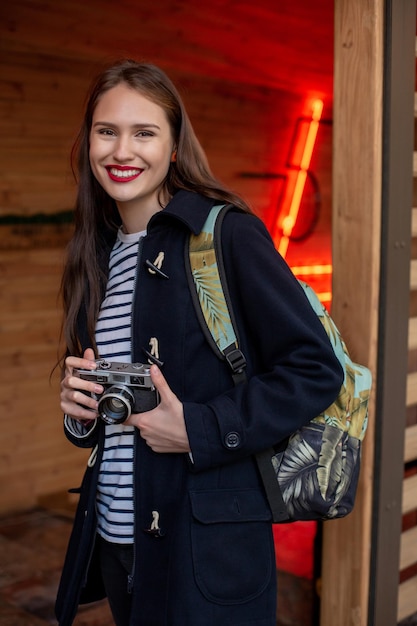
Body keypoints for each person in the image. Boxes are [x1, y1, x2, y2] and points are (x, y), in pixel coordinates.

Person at [55, 59, 343, 626]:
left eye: (144, 132)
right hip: (116, 536)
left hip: (204, 549)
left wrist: (197, 428)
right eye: (107, 130)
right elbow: (114, 405)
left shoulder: (224, 234)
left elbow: (315, 368)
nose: (122, 151)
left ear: (174, 145)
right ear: (88, 140)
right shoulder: (96, 255)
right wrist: (79, 413)